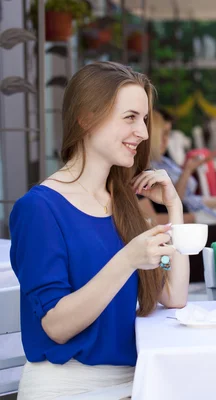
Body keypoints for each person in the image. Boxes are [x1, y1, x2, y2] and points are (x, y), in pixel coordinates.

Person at [9, 61, 189, 399]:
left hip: (135, 382)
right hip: (70, 387)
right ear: (87, 117)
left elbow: (173, 296)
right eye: (130, 117)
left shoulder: (121, 202)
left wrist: (173, 209)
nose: (144, 133)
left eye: (145, 119)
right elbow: (57, 326)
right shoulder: (39, 209)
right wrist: (127, 260)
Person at [149, 110, 216, 223]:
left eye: (168, 134)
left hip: (199, 214)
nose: (165, 140)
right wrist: (187, 170)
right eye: (162, 134)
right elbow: (177, 199)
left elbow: (192, 201)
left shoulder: (165, 161)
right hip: (191, 221)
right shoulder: (149, 168)